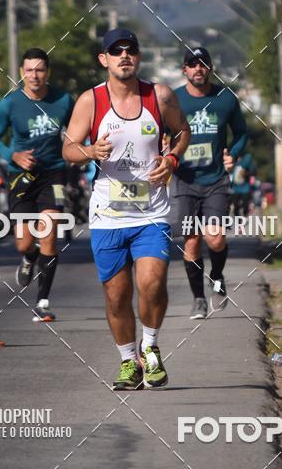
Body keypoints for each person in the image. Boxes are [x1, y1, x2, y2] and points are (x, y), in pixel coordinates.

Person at [63, 28, 190, 390]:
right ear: (104, 59)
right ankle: (127, 362)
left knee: (152, 283)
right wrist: (88, 152)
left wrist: (172, 159)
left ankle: (150, 348)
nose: (124, 56)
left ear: (138, 57)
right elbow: (69, 148)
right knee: (116, 296)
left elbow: (183, 131)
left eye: (130, 50)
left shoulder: (159, 95)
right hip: (108, 215)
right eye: (115, 51)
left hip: (151, 212)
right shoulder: (91, 101)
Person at [0, 48, 74, 322]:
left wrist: (80, 149)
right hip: (21, 178)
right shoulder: (10, 104)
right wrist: (13, 155)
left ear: (48, 73)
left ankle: (42, 301)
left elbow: (79, 130)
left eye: (40, 70)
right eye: (29, 70)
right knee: (24, 242)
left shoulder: (64, 100)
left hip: (53, 175)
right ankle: (29, 257)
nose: (34, 75)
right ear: (22, 73)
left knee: (48, 233)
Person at [170, 46, 248, 319]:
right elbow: (158, 132)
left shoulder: (225, 99)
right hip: (184, 182)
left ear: (210, 68)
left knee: (214, 239)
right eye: (193, 64)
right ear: (185, 70)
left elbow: (241, 133)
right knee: (191, 242)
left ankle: (217, 276)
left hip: (215, 180)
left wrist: (233, 155)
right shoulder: (173, 99)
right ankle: (199, 300)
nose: (198, 69)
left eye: (203, 64)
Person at [231, 151, 257, 216]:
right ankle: (238, 220)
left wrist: (246, 173)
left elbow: (253, 171)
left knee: (245, 205)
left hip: (245, 187)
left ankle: (245, 215)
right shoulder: (232, 158)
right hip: (235, 187)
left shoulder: (247, 159)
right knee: (235, 206)